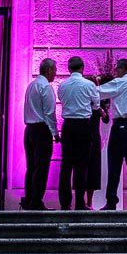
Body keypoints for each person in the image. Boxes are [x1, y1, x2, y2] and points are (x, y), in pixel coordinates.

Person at [94, 58, 127, 211]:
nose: (115, 72)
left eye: (117, 69)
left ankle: (112, 202)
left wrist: (92, 83)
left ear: (123, 69)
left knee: (114, 164)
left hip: (120, 126)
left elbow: (99, 93)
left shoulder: (120, 83)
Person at [57, 56, 101, 210]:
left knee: (66, 165)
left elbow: (61, 100)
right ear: (82, 68)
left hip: (68, 126)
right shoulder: (89, 85)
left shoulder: (62, 85)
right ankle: (80, 203)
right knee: (82, 165)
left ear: (69, 69)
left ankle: (65, 202)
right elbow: (96, 105)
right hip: (84, 126)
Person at [21, 58, 59, 211]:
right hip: (41, 130)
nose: (56, 73)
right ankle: (36, 201)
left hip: (29, 129)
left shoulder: (31, 85)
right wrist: (55, 133)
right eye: (55, 70)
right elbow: (49, 113)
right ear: (48, 70)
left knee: (31, 167)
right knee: (42, 166)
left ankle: (30, 198)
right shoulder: (46, 87)